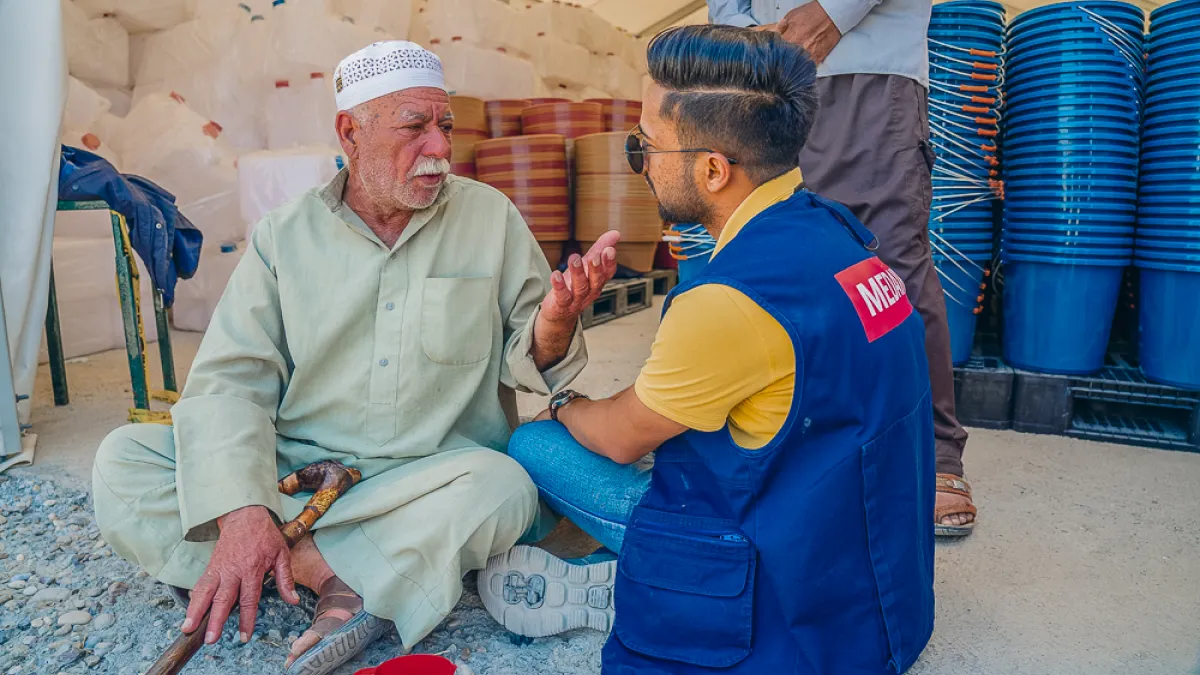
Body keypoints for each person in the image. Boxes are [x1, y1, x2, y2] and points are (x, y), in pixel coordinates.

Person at [91, 40, 619, 675]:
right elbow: (232, 381)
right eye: (415, 128)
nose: (440, 148)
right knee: (125, 460)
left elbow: (529, 360)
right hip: (298, 473)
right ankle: (334, 575)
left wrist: (556, 324)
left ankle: (282, 567)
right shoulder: (284, 236)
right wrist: (242, 511)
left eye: (445, 126)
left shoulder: (492, 217)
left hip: (429, 478)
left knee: (505, 487)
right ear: (351, 132)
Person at [480, 25, 935, 674]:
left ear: (713, 169)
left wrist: (564, 408)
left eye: (646, 147)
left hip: (792, 589)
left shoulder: (728, 302)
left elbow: (619, 436)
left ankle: (627, 578)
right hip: (878, 572)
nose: (639, 163)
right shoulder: (840, 235)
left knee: (536, 445)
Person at [708, 0, 977, 534]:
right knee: (780, 261)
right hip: (765, 79)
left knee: (889, 264)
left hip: (865, 67)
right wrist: (747, 35)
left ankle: (937, 454)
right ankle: (808, 445)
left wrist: (833, 11)